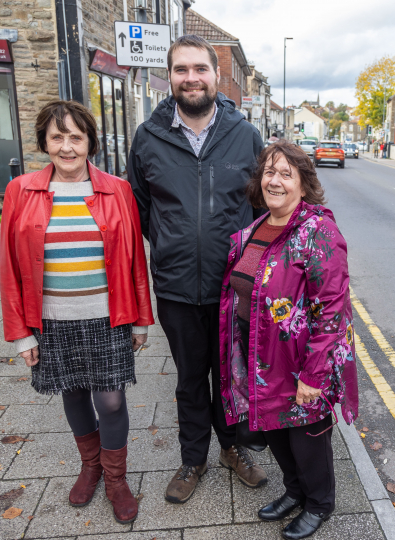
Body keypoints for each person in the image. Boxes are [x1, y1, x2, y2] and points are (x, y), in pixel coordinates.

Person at [128, 34, 268, 505]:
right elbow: (142, 210)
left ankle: (232, 448)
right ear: (170, 77)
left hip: (234, 288)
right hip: (175, 287)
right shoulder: (149, 138)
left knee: (229, 375)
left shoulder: (244, 135)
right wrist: (174, 244)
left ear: (215, 74)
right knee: (190, 378)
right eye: (181, 69)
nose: (191, 78)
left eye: (199, 69)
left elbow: (262, 208)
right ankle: (193, 458)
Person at [0, 100, 154, 524]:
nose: (67, 147)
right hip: (51, 318)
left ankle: (116, 478)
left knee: (111, 399)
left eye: (76, 137)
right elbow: (10, 266)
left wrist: (142, 318)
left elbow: (135, 260)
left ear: (90, 142)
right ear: (44, 143)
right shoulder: (21, 190)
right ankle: (91, 467)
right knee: (72, 392)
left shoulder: (117, 190)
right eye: (57, 137)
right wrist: (21, 333)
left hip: (107, 316)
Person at [219, 141, 359, 539]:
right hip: (260, 354)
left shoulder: (319, 232)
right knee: (276, 431)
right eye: (269, 171)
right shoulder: (257, 227)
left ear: (303, 184)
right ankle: (295, 491)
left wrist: (314, 376)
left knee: (307, 439)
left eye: (286, 173)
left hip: (301, 362)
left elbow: (333, 310)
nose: (275, 181)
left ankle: (319, 503)